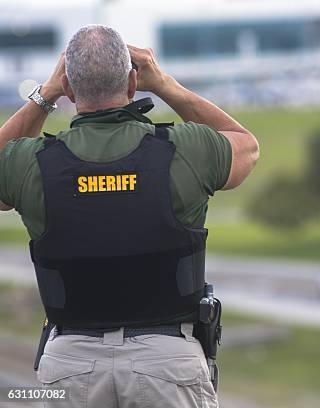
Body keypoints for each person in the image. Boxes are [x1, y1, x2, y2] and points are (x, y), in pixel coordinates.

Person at [0, 25, 259, 408]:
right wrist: (166, 84)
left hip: (70, 366)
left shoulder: (31, 163)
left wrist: (45, 94)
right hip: (168, 364)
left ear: (70, 88)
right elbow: (247, 148)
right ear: (134, 81)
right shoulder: (183, 150)